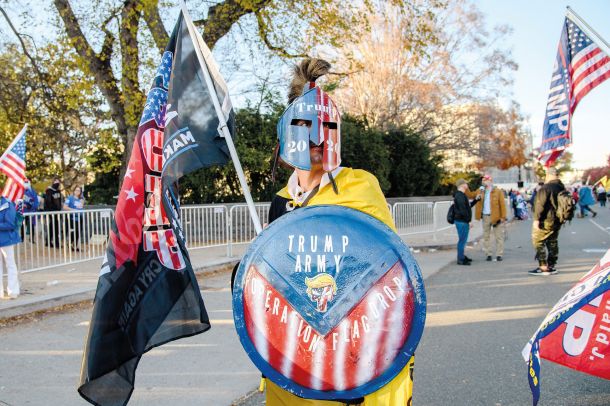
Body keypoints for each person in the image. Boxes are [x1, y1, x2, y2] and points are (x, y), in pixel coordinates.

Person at [264, 58, 412, 406]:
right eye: (303, 125)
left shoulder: (360, 186)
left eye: (326, 127)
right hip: (298, 353)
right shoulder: (281, 202)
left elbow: (385, 272)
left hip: (355, 349)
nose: (316, 136)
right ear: (287, 136)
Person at [529, 167, 565, 276]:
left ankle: (543, 267)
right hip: (558, 220)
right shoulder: (561, 187)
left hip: (546, 220)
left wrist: (536, 220)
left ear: (548, 175)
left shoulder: (546, 188)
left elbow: (540, 204)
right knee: (552, 242)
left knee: (538, 241)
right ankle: (551, 265)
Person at [474, 174, 507, 261]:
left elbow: (502, 205)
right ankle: (488, 253)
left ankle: (499, 254)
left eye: (486, 180)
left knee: (498, 236)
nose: (484, 182)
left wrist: (503, 217)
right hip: (485, 216)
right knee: (486, 236)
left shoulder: (498, 191)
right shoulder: (481, 191)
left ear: (490, 181)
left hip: (496, 216)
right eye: (483, 181)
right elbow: (472, 196)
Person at [453, 179, 481, 265]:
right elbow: (463, 210)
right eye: (466, 183)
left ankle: (462, 256)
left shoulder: (461, 195)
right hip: (462, 222)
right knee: (462, 240)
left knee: (463, 240)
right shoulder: (460, 196)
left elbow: (467, 207)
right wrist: (468, 221)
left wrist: (476, 200)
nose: (467, 184)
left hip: (462, 221)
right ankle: (460, 259)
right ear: (462, 185)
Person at [0, 195, 22, 298]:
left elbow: (10, 224)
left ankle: (13, 291)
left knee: (10, 264)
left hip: (6, 239)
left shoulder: (7, 204)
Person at [63, 186, 85, 252]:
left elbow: (81, 206)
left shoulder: (81, 199)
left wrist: (82, 202)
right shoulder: (70, 198)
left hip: (79, 218)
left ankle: (75, 245)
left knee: (78, 232)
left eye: (79, 191)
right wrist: (73, 210)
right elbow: (65, 207)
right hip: (72, 218)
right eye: (76, 190)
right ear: (74, 191)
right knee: (73, 232)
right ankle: (70, 244)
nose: (77, 192)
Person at [44, 177, 62, 247]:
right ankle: (53, 242)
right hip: (51, 212)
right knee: (53, 227)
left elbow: (59, 202)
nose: (57, 183)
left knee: (55, 227)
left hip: (57, 212)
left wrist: (59, 209)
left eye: (58, 181)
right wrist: (52, 210)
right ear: (53, 182)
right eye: (55, 181)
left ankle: (49, 241)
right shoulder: (49, 191)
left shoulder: (58, 191)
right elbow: (48, 201)